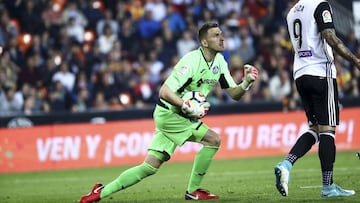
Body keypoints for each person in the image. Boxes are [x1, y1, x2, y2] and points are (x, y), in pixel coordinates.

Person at [79, 22, 258, 203]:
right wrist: (186, 106)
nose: (222, 38)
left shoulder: (219, 62)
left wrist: (246, 83)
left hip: (178, 115)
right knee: (213, 139)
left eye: (221, 34)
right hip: (170, 114)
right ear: (204, 42)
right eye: (216, 35)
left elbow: (234, 94)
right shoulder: (191, 61)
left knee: (149, 167)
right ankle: (193, 191)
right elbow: (164, 91)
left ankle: (100, 192)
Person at [274, 0, 360, 198]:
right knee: (328, 130)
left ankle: (286, 164)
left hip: (300, 74)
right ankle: (328, 186)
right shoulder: (320, 5)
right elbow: (330, 36)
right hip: (321, 71)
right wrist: (355, 60)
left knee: (314, 129)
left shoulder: (291, 12)